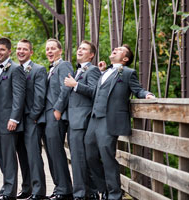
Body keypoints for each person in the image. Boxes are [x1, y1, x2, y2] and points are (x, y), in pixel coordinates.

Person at [83, 45, 155, 200]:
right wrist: (102, 72)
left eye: (120, 49)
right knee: (89, 156)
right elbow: (97, 92)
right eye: (115, 47)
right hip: (94, 119)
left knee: (107, 155)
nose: (115, 48)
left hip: (110, 120)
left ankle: (114, 194)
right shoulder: (104, 72)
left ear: (125, 59)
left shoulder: (128, 73)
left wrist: (147, 94)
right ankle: (104, 189)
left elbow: (138, 90)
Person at [63, 40, 103, 200]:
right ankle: (89, 192)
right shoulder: (79, 70)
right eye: (79, 48)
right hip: (73, 119)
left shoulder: (92, 70)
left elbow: (95, 92)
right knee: (79, 158)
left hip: (82, 120)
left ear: (91, 54)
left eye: (84, 49)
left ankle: (81, 194)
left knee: (79, 159)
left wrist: (76, 85)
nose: (79, 50)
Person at [0, 37, 26, 200]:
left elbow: (19, 96)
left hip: (8, 122)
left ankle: (10, 192)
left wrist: (14, 119)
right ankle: (6, 187)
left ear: (9, 51)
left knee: (8, 158)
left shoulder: (15, 69)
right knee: (1, 157)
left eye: (2, 50)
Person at [40, 38, 73, 200]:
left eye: (53, 48)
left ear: (60, 50)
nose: (50, 52)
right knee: (52, 153)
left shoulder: (64, 65)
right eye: (47, 49)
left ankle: (65, 190)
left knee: (57, 152)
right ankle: (59, 187)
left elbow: (66, 87)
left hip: (55, 115)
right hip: (47, 116)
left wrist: (58, 109)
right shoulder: (51, 69)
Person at [15, 39, 48, 200]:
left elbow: (40, 96)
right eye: (18, 49)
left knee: (34, 155)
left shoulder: (38, 70)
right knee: (22, 154)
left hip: (31, 119)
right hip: (17, 120)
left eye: (24, 49)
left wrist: (34, 116)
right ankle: (26, 188)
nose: (20, 51)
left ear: (31, 52)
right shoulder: (15, 69)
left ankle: (38, 191)